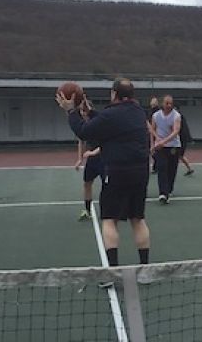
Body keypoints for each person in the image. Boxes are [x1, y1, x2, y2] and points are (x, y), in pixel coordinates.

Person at [56, 78, 150, 266]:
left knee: (109, 220)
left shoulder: (110, 115)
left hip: (117, 171)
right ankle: (145, 268)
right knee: (138, 220)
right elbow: (112, 121)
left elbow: (84, 131)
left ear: (114, 94)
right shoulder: (139, 112)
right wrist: (89, 111)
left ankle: (112, 270)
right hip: (140, 171)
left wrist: (71, 111)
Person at [74, 102, 104, 221]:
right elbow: (81, 141)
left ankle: (108, 211)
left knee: (107, 186)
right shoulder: (83, 125)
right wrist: (80, 159)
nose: (82, 113)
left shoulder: (99, 124)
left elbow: (105, 143)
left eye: (84, 110)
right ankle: (87, 210)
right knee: (87, 183)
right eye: (81, 111)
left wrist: (92, 153)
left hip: (104, 157)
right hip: (92, 160)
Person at [152, 95, 182, 204]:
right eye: (166, 103)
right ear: (162, 104)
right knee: (162, 167)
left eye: (170, 103)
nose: (169, 105)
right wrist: (154, 144)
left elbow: (175, 131)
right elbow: (153, 130)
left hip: (174, 146)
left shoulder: (176, 116)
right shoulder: (155, 115)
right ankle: (163, 193)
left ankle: (169, 189)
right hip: (160, 148)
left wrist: (163, 141)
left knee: (171, 169)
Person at [177, 108, 194, 176]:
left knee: (179, 155)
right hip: (181, 140)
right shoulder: (180, 117)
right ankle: (189, 169)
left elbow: (183, 130)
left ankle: (189, 168)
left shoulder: (179, 117)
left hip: (181, 140)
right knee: (180, 156)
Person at [146, 96, 160, 173]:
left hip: (153, 132)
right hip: (156, 133)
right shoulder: (158, 112)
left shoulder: (152, 112)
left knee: (152, 150)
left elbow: (149, 123)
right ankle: (156, 167)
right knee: (155, 151)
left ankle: (156, 166)